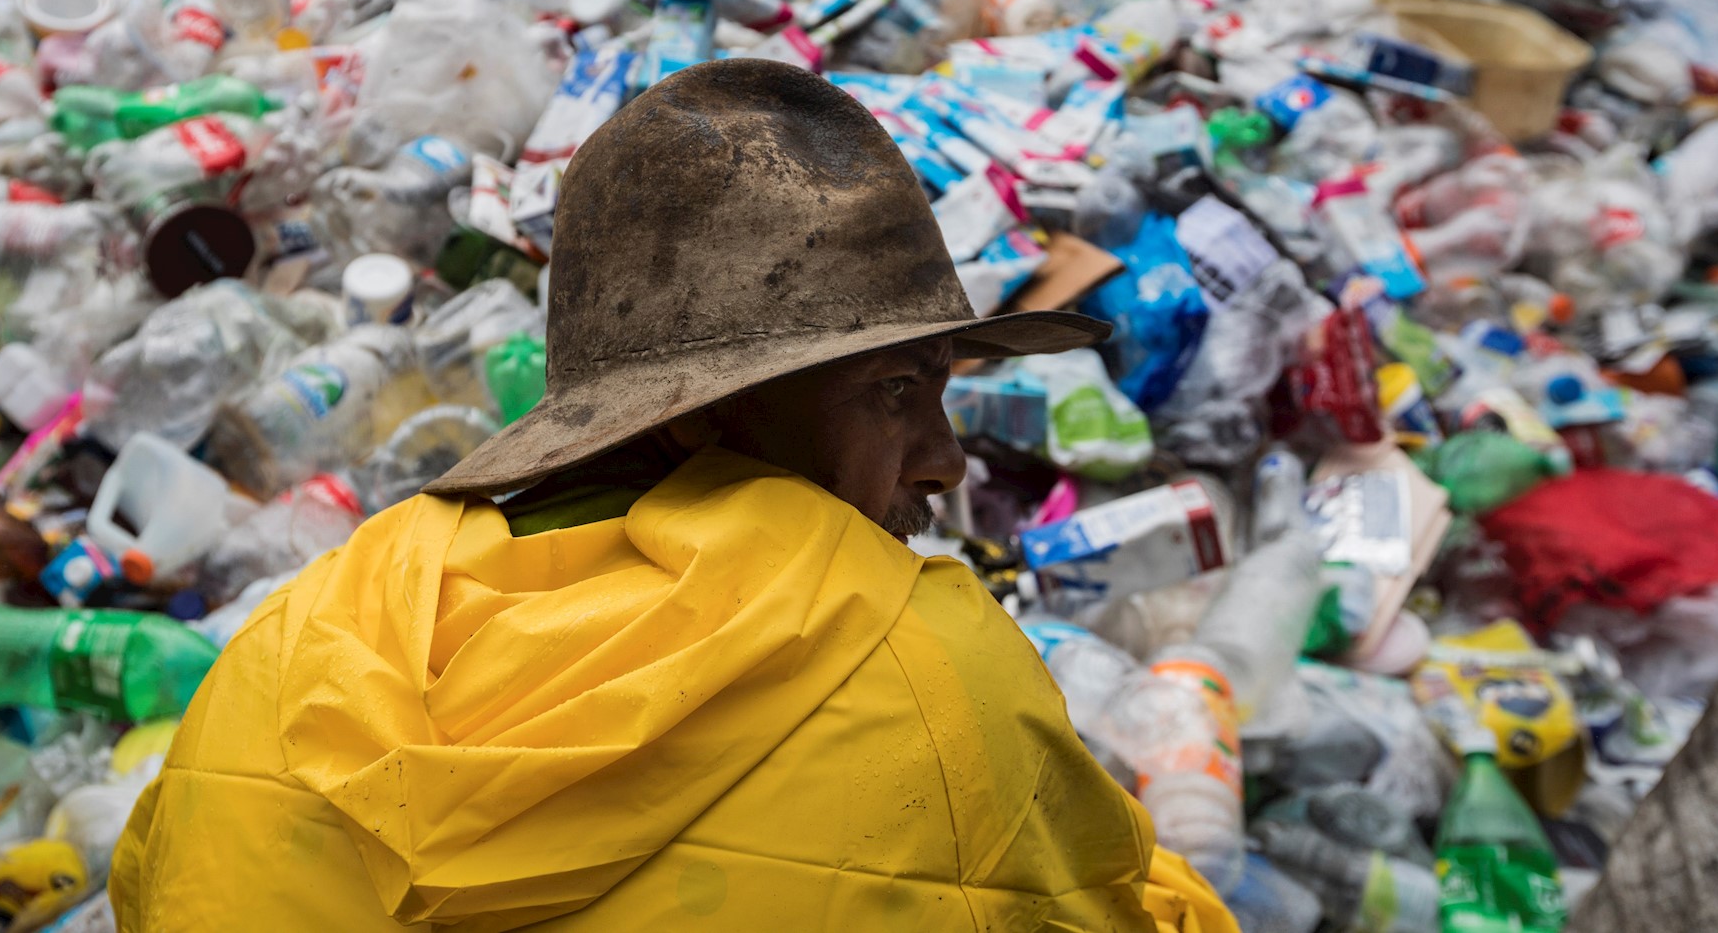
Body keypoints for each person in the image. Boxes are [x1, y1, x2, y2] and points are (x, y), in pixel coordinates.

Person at [111, 59, 1235, 931]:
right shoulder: (928, 674)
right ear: (689, 408)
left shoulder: (284, 648)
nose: (941, 459)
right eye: (894, 390)